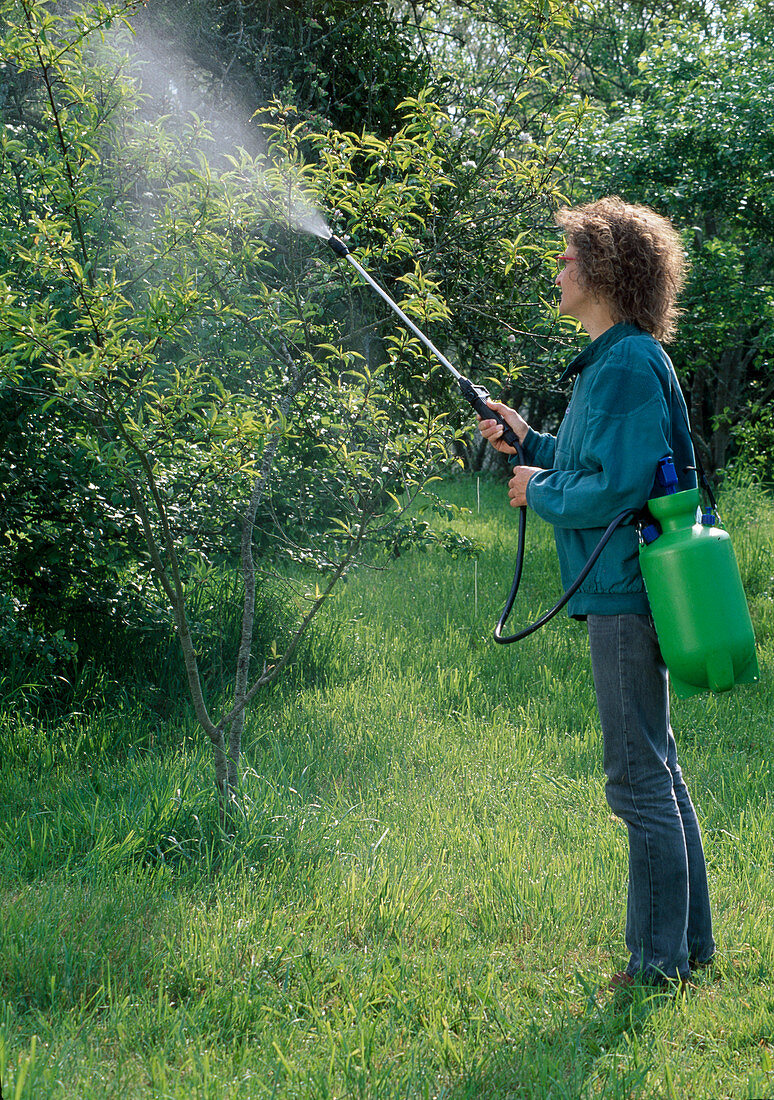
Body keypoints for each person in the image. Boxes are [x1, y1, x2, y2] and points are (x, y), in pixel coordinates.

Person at [479, 196, 715, 988]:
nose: (559, 270)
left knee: (637, 777)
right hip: (621, 582)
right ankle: (689, 949)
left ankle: (657, 966)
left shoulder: (626, 365)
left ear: (605, 269)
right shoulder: (616, 363)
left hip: (625, 588)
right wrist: (531, 441)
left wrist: (536, 488)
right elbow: (595, 460)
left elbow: (613, 490)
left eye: (568, 257)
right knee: (659, 769)